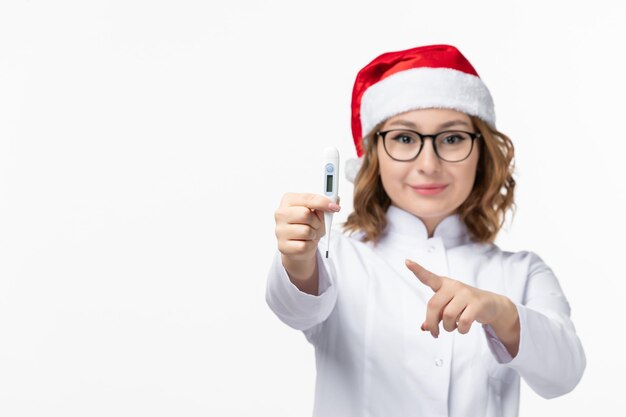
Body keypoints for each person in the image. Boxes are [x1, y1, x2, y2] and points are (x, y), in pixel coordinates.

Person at [265, 44, 585, 417]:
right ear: (374, 154)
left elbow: (565, 373)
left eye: (451, 139)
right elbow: (294, 308)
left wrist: (500, 311)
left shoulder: (522, 272)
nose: (428, 164)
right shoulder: (337, 256)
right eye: (404, 138)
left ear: (482, 153)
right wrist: (298, 257)